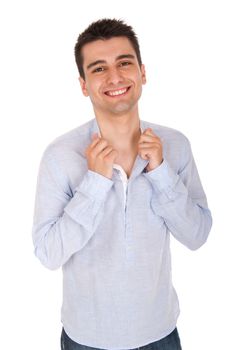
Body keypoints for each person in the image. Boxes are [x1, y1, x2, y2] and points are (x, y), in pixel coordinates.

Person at [32, 18, 213, 350]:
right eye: (98, 68)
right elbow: (47, 253)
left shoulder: (175, 145)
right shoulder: (59, 156)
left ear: (142, 73)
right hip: (86, 339)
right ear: (84, 84)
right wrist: (95, 184)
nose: (114, 77)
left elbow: (197, 234)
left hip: (160, 335)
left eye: (124, 63)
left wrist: (160, 173)